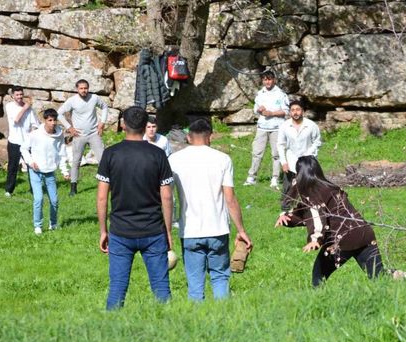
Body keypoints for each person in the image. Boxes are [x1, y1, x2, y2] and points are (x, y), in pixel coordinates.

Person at [96, 106, 174, 310]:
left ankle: (112, 331)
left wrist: (103, 230)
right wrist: (167, 230)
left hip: (121, 232)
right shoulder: (158, 154)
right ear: (144, 127)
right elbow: (166, 196)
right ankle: (169, 327)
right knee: (161, 288)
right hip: (153, 230)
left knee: (117, 288)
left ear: (123, 125)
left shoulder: (110, 154)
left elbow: (102, 196)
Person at [168, 118, 252, 301]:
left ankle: (200, 322)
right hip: (218, 229)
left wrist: (166, 229)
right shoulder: (222, 159)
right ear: (211, 136)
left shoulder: (174, 160)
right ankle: (222, 316)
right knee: (221, 276)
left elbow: (167, 197)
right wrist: (241, 230)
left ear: (188, 137)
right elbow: (230, 198)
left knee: (195, 283)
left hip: (189, 230)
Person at [275, 156, 384, 287]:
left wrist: (315, 239)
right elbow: (306, 213)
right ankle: (402, 277)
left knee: (318, 275)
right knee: (379, 277)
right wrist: (287, 217)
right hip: (363, 233)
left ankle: (319, 301)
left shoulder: (313, 193)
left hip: (342, 238)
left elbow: (316, 218)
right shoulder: (330, 187)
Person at [21, 109, 70, 235]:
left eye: (55, 120)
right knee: (39, 199)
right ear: (44, 120)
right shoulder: (35, 134)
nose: (53, 123)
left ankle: (53, 224)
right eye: (50, 120)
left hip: (50, 171)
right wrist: (31, 162)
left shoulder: (59, 135)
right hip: (36, 171)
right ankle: (38, 225)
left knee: (54, 200)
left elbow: (62, 154)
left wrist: (64, 170)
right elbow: (24, 148)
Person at [58, 79, 109, 197]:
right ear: (77, 89)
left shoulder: (94, 98)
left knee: (103, 160)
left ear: (88, 88)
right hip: (79, 135)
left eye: (85, 88)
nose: (84, 90)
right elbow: (59, 113)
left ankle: (106, 184)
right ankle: (73, 187)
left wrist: (102, 122)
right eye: (81, 88)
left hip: (94, 134)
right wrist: (69, 127)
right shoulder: (72, 101)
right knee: (76, 162)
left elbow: (105, 107)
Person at [244, 71, 289, 189]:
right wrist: (259, 110)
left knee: (276, 154)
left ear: (274, 80)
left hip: (277, 127)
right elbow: (255, 109)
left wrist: (272, 113)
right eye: (265, 80)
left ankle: (275, 178)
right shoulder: (260, 93)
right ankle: (251, 177)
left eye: (269, 79)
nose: (267, 82)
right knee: (257, 152)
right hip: (262, 127)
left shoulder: (281, 94)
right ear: (262, 81)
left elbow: (286, 111)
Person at [277, 100, 321, 211]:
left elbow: (317, 141)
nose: (295, 112)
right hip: (291, 161)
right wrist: (284, 162)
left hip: (307, 161)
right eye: (292, 110)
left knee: (309, 185)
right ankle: (286, 209)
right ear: (290, 112)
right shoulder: (285, 126)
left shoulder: (311, 125)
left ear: (303, 111)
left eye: (298, 109)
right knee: (288, 186)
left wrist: (309, 155)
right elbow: (280, 144)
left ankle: (310, 207)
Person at [5, 86, 39, 197]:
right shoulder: (9, 106)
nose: (19, 97)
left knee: (31, 166)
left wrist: (32, 134)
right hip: (14, 141)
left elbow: (35, 124)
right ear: (13, 96)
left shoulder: (29, 109)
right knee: (13, 166)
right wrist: (24, 108)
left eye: (21, 94)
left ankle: (34, 189)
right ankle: (9, 190)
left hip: (27, 142)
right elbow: (16, 120)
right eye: (17, 95)